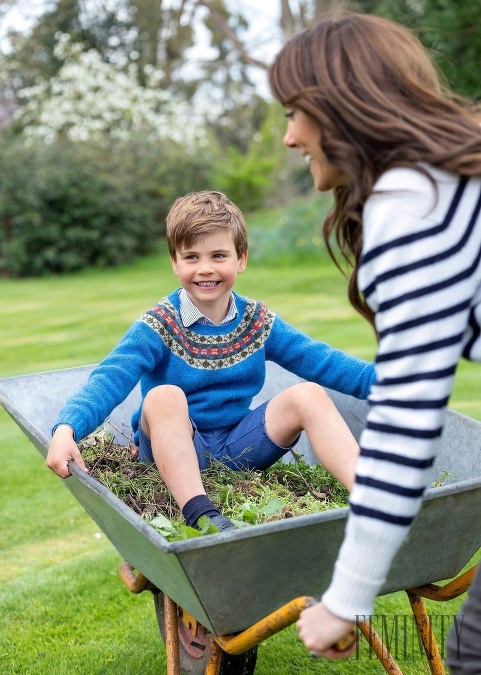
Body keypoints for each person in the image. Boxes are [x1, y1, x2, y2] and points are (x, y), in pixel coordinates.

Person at [268, 10, 481, 669]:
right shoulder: (449, 181)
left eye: (294, 113)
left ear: (338, 109)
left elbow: (403, 425)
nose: (287, 138)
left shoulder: (409, 203)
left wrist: (345, 597)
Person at [47, 189, 375, 535]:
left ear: (241, 259)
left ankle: (371, 499)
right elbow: (110, 377)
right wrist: (67, 428)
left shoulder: (256, 320)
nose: (205, 269)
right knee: (163, 396)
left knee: (308, 393)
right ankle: (202, 515)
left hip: (239, 447)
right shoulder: (159, 324)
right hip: (173, 450)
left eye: (219, 255)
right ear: (175, 262)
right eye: (191, 257)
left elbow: (322, 361)